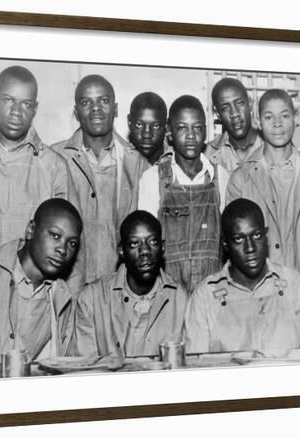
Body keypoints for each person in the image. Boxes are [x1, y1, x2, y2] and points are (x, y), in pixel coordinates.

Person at [0, 65, 84, 290]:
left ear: (35, 108)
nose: (16, 111)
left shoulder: (54, 167)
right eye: (8, 100)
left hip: (30, 298)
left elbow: (74, 251)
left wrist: (68, 308)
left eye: (26, 104)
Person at [0, 199, 83, 366]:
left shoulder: (61, 298)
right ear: (31, 230)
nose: (62, 250)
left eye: (72, 243)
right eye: (55, 235)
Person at [185, 198, 300, 353]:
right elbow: (196, 364)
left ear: (266, 236)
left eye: (256, 236)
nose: (250, 248)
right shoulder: (205, 297)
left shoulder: (293, 284)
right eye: (239, 239)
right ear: (225, 245)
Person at [52, 74, 149, 283]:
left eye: (103, 101)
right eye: (86, 102)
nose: (96, 108)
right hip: (67, 286)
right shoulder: (54, 159)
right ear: (76, 112)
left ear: (115, 109)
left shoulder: (137, 163)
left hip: (118, 289)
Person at [226, 89, 300, 303]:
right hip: (258, 301)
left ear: (295, 120)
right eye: (269, 117)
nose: (278, 123)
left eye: (285, 115)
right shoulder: (240, 179)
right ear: (258, 121)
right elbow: (235, 250)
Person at [138, 95, 229, 295]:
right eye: (182, 128)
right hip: (168, 294)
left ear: (205, 133)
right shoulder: (153, 178)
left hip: (212, 294)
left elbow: (228, 243)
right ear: (169, 132)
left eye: (197, 128)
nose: (190, 136)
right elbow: (146, 246)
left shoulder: (220, 178)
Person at [74, 211, 189, 357]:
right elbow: (86, 369)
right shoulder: (92, 299)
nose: (145, 251)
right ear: (121, 250)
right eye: (135, 243)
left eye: (153, 241)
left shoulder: (180, 299)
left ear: (163, 247)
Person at [206, 77, 263, 173]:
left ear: (250, 103)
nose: (235, 114)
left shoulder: (272, 144)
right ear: (217, 114)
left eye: (240, 103)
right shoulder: (209, 155)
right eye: (225, 108)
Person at [127, 92, 168, 165]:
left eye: (156, 126)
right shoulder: (118, 160)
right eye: (139, 125)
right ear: (129, 121)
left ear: (166, 126)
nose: (146, 135)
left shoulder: (178, 163)